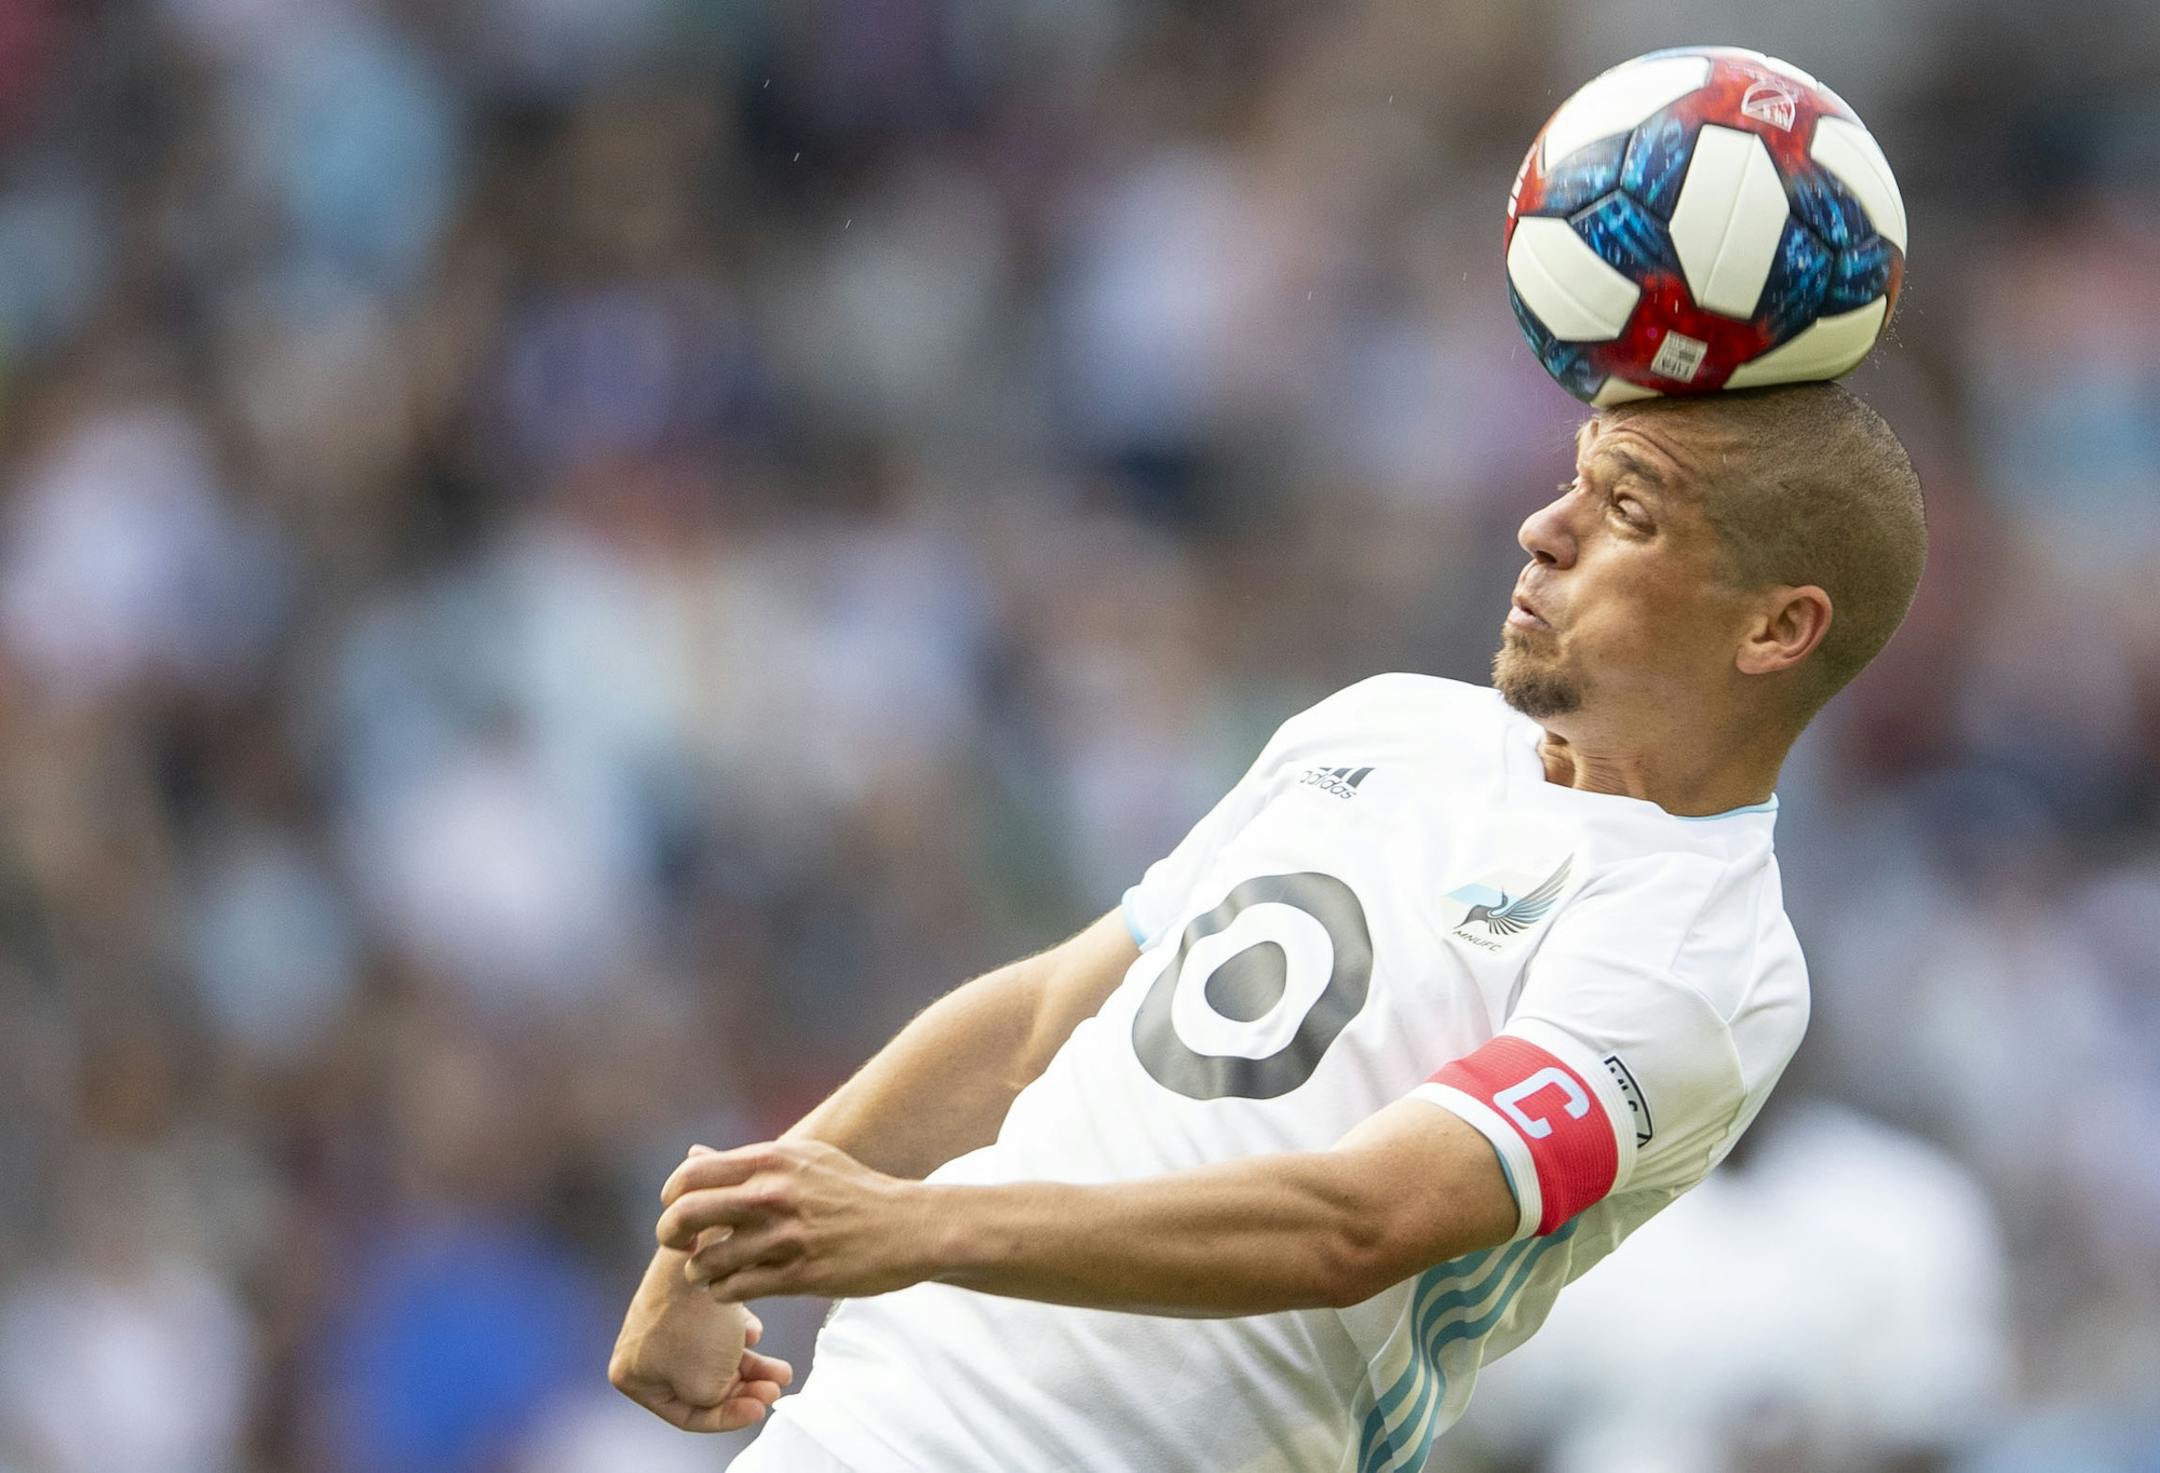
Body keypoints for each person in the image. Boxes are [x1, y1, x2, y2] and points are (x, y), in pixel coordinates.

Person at [608, 382, 1928, 1473]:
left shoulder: (1704, 955)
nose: (1545, 528)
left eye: (1626, 510)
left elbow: (1353, 1226)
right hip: (864, 1428)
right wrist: (730, 1238)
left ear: (1777, 626)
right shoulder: (1388, 724)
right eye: (1574, 478)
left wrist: (908, 1228)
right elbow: (1040, 1021)